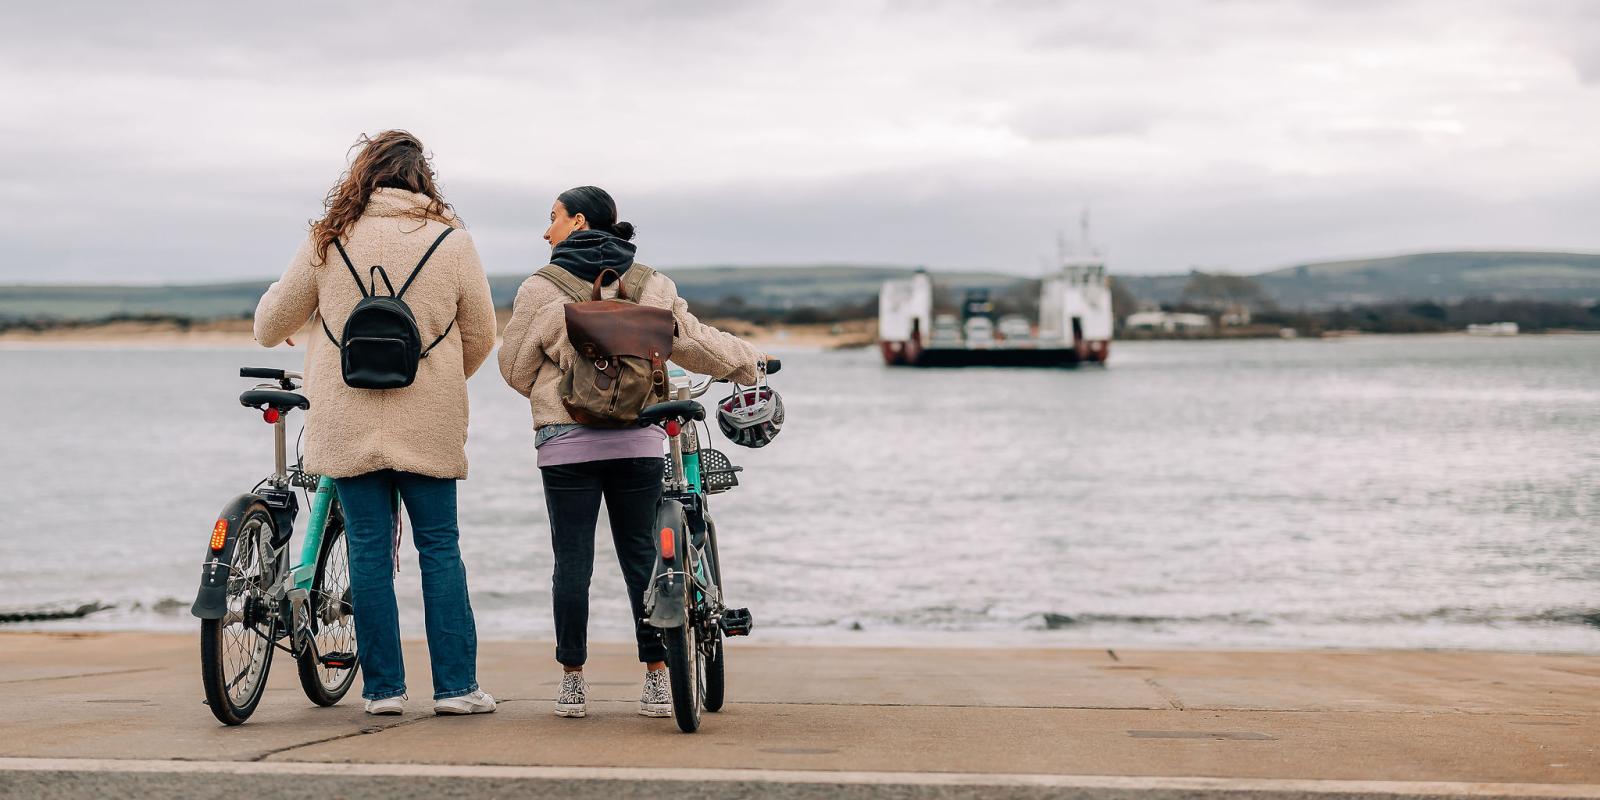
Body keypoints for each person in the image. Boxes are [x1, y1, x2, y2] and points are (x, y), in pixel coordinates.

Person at [253, 130, 498, 717]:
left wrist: (305, 317)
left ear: (363, 175)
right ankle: (457, 690)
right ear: (422, 178)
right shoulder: (452, 242)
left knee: (366, 550)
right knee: (440, 549)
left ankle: (383, 691)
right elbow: (482, 335)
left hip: (345, 417)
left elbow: (270, 323)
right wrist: (436, 377)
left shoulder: (328, 238)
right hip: (430, 417)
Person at [498, 186, 764, 718]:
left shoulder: (540, 288)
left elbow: (513, 369)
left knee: (571, 563)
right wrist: (750, 362)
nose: (545, 230)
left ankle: (572, 683)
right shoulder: (650, 283)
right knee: (645, 559)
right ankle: (658, 678)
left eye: (551, 218)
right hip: (641, 437)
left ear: (577, 222)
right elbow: (695, 343)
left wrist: (562, 379)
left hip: (565, 443)